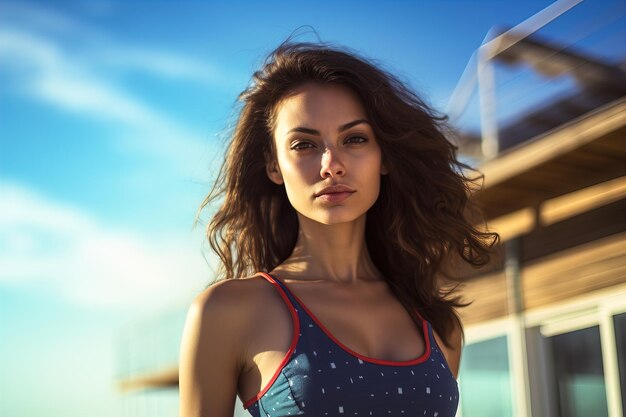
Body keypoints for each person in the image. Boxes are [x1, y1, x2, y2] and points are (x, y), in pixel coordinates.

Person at [179, 39, 499, 417]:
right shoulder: (227, 311)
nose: (331, 164)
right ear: (273, 166)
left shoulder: (435, 321)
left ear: (384, 156)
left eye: (355, 139)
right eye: (304, 144)